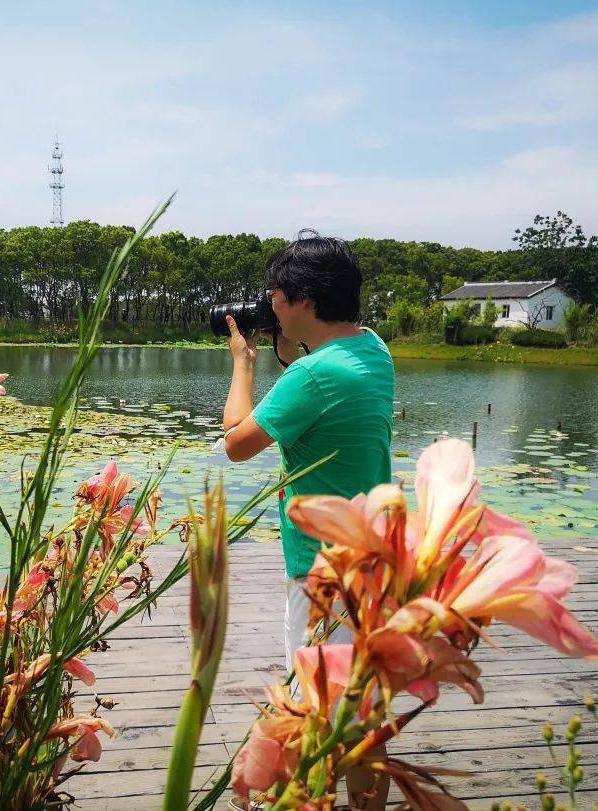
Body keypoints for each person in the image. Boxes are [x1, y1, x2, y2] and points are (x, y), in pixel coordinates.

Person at [221, 231, 395, 809]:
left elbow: (236, 444)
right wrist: (290, 355)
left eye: (275, 294)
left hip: (324, 573)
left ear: (305, 299)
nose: (269, 304)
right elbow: (322, 390)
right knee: (365, 715)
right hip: (376, 559)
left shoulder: (311, 377)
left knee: (318, 717)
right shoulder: (373, 350)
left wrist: (243, 365)